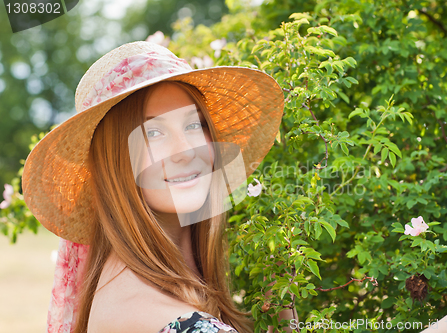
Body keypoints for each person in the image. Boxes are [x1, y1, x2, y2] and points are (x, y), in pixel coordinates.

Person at [21, 41, 285, 333]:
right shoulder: (180, 324)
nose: (185, 150)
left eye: (194, 125)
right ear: (115, 162)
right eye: (154, 132)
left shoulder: (117, 288)